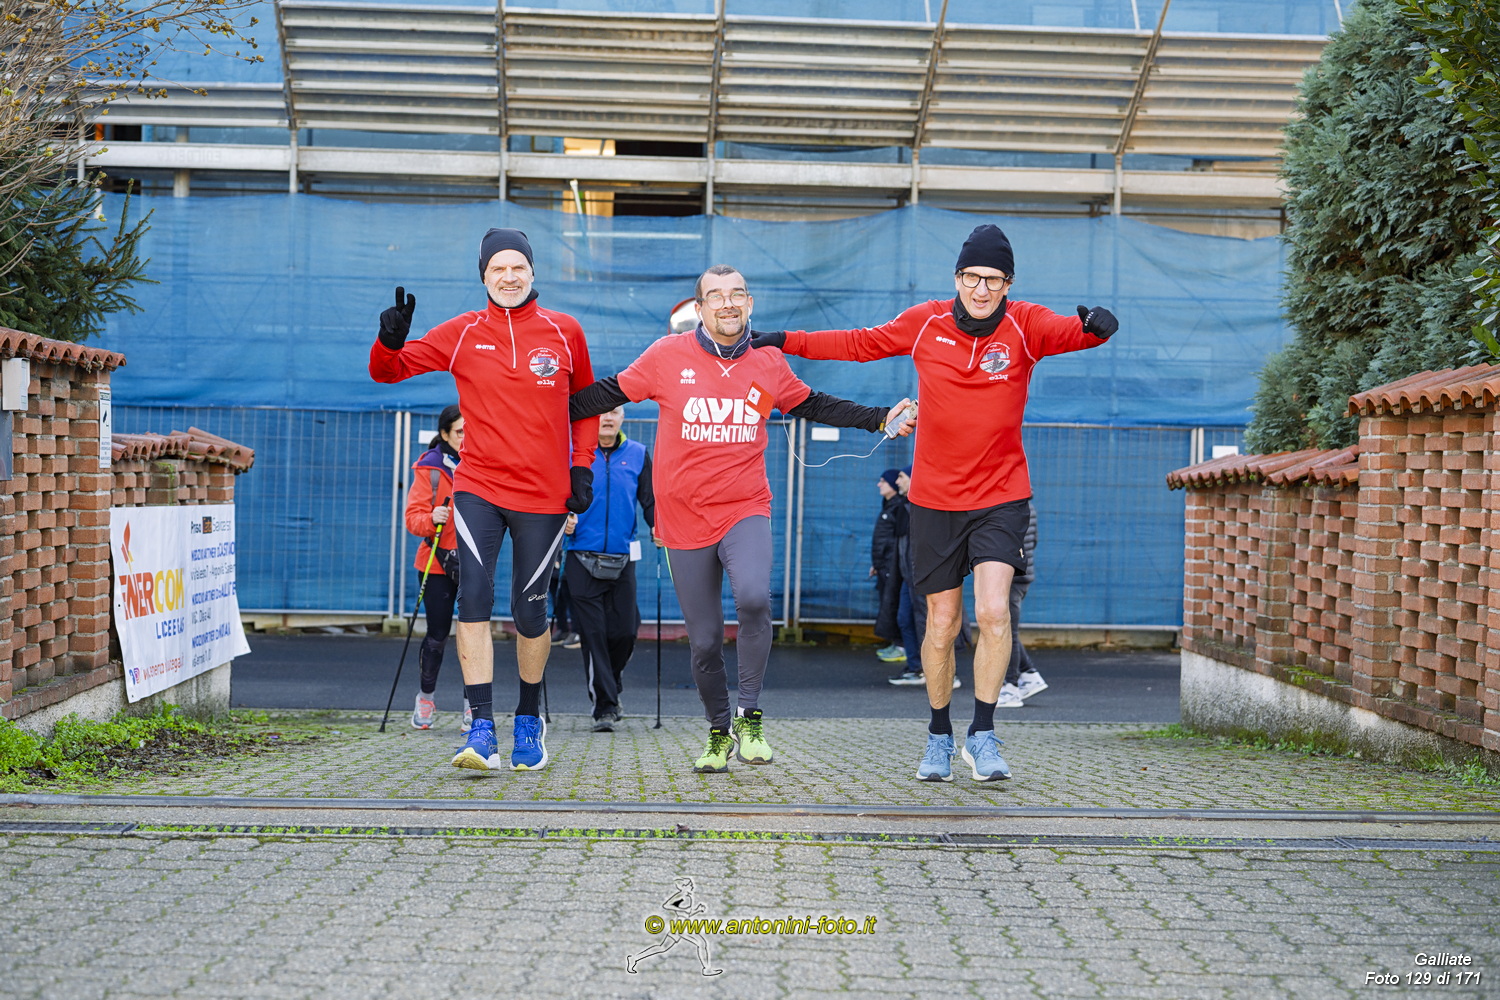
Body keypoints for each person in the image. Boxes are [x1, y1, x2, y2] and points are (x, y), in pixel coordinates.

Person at [751, 223, 1117, 782]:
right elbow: (859, 343)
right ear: (957, 278)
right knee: (942, 622)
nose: (981, 289)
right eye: (972, 277)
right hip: (935, 499)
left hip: (1001, 496)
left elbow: (1074, 332)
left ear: (1008, 284)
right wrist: (784, 339)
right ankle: (940, 735)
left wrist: (1097, 328)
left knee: (993, 612)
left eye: (993, 280)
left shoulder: (1025, 325)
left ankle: (984, 735)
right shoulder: (926, 322)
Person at [570, 264, 913, 774]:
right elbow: (604, 394)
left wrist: (879, 417)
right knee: (705, 641)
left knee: (753, 597)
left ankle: (749, 715)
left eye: (737, 294)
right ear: (699, 309)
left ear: (749, 304)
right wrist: (538, 407)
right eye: (716, 296)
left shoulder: (768, 361)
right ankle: (718, 730)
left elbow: (814, 403)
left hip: (745, 506)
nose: (727, 303)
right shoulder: (666, 356)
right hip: (683, 518)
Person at [370, 227, 600, 773]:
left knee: (530, 609)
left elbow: (587, 406)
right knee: (472, 598)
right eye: (498, 268)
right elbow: (387, 372)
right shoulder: (462, 331)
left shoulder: (565, 330)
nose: (509, 276)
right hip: (478, 488)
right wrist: (390, 339)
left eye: (518, 266)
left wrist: (581, 466)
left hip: (543, 494)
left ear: (533, 272)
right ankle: (481, 728)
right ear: (483, 276)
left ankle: (529, 720)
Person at [563, 404, 656, 732]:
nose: (607, 418)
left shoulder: (638, 454)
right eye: (601, 412)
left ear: (622, 418)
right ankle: (604, 706)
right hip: (580, 556)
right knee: (594, 635)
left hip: (623, 558)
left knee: (625, 631)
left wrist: (658, 526)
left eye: (614, 412)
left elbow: (650, 500)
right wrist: (563, 520)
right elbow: (555, 496)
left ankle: (610, 682)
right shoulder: (573, 454)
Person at [403, 404, 471, 731]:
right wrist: (431, 518)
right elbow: (412, 519)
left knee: (474, 634)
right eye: (459, 431)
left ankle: (475, 706)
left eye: (470, 430)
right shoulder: (429, 468)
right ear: (444, 434)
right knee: (438, 634)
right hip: (437, 562)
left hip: (474, 561)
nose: (466, 437)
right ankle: (426, 698)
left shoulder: (485, 463)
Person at [998, 503, 1047, 708]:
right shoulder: (1028, 505)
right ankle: (1029, 674)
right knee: (1007, 630)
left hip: (1011, 576)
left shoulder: (1009, 506)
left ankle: (1011, 687)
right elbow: (1032, 541)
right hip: (1021, 575)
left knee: (1007, 633)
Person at [871, 468, 905, 663]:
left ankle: (902, 645)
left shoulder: (899, 507)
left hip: (893, 567)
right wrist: (877, 564)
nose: (879, 484)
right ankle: (896, 643)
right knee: (888, 604)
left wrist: (890, 565)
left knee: (895, 604)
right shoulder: (889, 506)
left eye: (883, 481)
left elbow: (895, 542)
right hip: (884, 566)